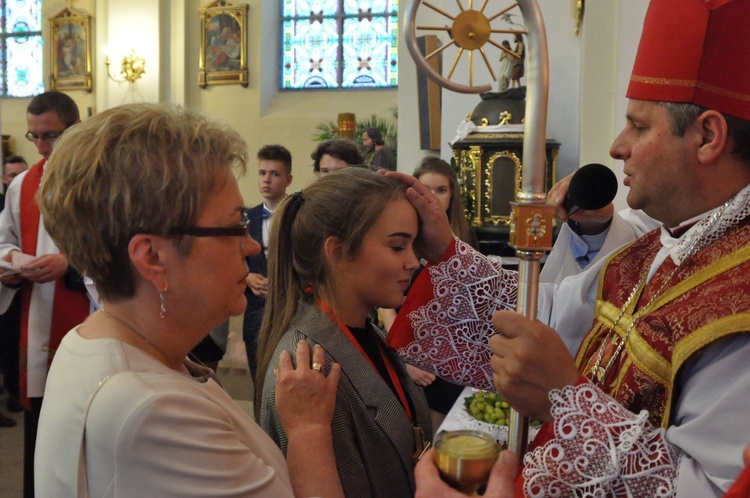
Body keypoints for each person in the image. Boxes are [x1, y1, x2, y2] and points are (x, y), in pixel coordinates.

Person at [389, 0, 750, 495]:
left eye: (640, 126)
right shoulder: (656, 250)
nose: (618, 146)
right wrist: (446, 252)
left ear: (707, 136)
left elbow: (713, 488)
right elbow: (551, 318)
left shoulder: (740, 302)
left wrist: (564, 399)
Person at [33, 103, 345, 498]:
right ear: (153, 258)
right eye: (235, 226)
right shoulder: (153, 411)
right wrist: (307, 431)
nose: (250, 246)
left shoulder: (96, 339)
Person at [256, 168, 432, 498]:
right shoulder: (307, 367)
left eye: (413, 246)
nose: (413, 261)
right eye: (397, 247)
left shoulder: (367, 332)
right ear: (338, 252)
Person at [0, 91, 90, 498]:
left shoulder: (103, 179)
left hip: (90, 319)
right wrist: (15, 265)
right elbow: (3, 242)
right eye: (33, 135)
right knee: (41, 434)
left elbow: (126, 248)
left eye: (49, 136)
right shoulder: (21, 185)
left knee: (87, 430)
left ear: (74, 129)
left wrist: (69, 265)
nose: (39, 146)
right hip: (36, 322)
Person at [381, 157, 477, 429]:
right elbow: (386, 305)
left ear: (452, 195)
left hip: (451, 350)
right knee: (420, 431)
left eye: (441, 190)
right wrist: (404, 358)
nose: (432, 197)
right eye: (425, 188)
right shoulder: (403, 233)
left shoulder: (465, 235)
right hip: (407, 343)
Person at [243, 144, 293, 379]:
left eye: (275, 174)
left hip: (289, 311)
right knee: (258, 380)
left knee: (283, 378)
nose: (267, 179)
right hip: (254, 311)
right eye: (262, 173)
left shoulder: (298, 216)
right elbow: (233, 260)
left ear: (288, 179)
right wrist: (246, 276)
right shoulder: (246, 218)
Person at [0, 154, 27, 428]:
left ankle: (15, 392)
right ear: (4, 179)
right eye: (11, 175)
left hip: (26, 283)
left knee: (14, 342)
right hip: (7, 281)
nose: (15, 179)